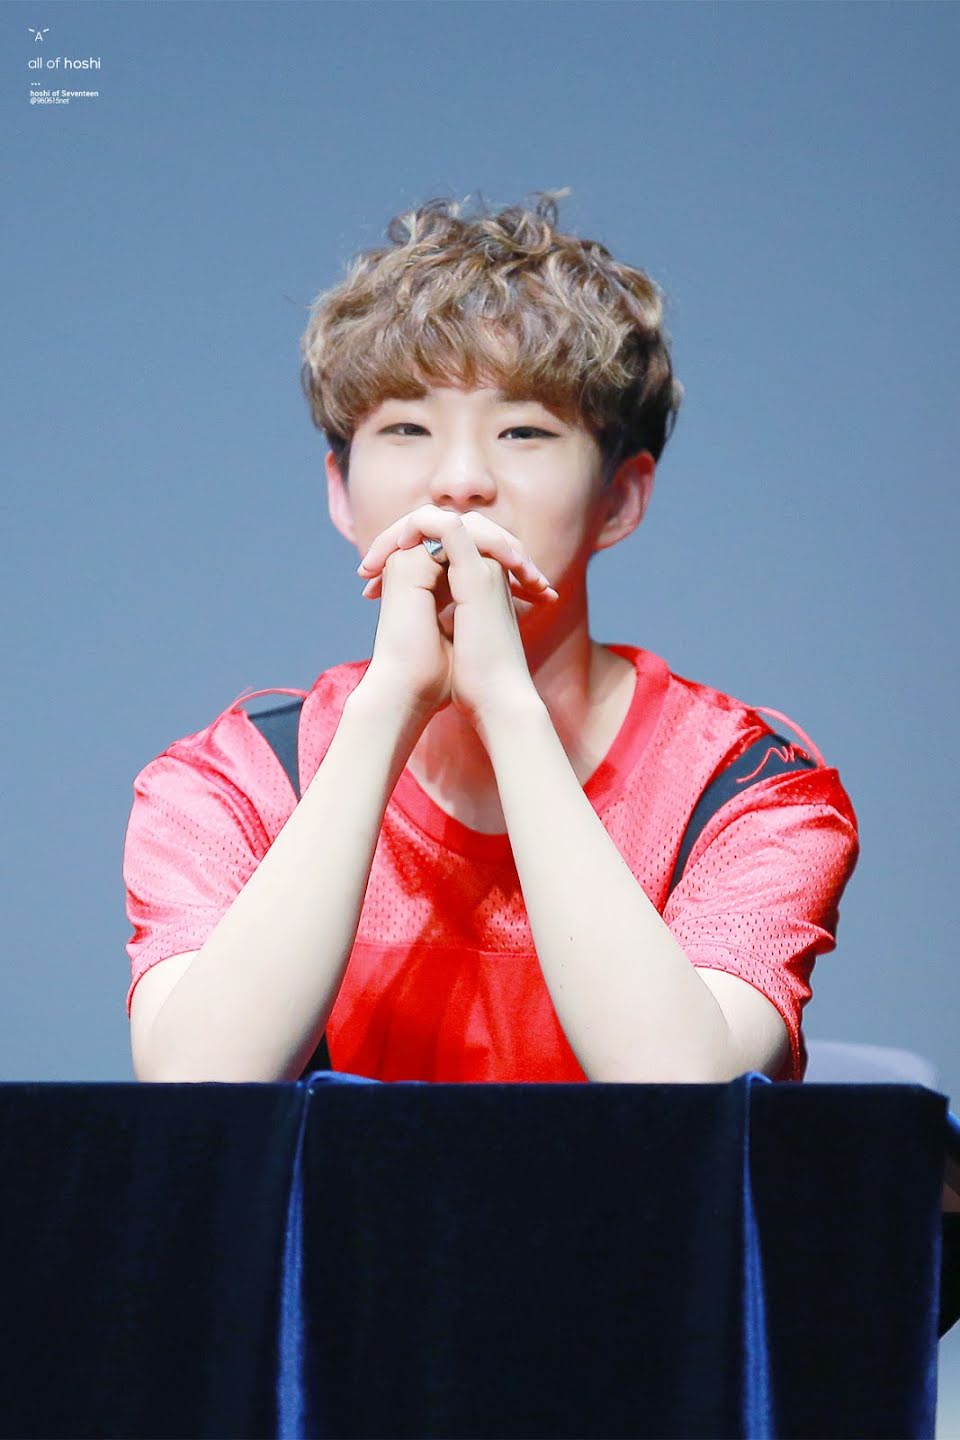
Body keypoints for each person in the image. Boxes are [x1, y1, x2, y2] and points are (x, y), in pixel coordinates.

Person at [122, 188, 860, 1088]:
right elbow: (196, 1089)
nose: (461, 480)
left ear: (620, 498)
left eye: (523, 431)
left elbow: (680, 1093)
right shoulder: (233, 782)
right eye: (406, 428)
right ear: (341, 493)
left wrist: (507, 706)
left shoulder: (747, 791)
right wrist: (388, 707)